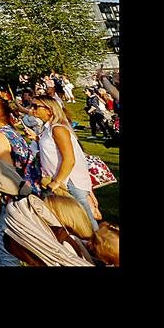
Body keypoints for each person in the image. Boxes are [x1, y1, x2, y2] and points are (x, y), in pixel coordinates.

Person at [28, 95, 99, 230]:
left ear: (49, 110)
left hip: (69, 180)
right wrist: (37, 138)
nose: (32, 109)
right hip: (62, 180)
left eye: (36, 106)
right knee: (75, 219)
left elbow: (69, 159)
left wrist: (56, 182)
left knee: (85, 219)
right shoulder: (48, 129)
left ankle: (100, 246)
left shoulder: (58, 129)